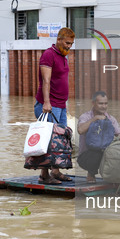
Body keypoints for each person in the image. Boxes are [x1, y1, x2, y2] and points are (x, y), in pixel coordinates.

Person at [34, 27, 75, 184]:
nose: (69, 46)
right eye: (67, 43)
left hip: (60, 105)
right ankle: (44, 175)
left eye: (71, 44)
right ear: (58, 40)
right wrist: (46, 102)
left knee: (60, 141)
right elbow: (46, 81)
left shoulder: (63, 56)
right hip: (49, 105)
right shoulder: (48, 55)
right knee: (48, 141)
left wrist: (64, 104)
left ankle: (55, 172)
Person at [77, 91, 120, 184]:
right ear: (93, 103)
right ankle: (91, 174)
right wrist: (95, 119)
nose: (104, 106)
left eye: (106, 103)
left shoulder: (111, 119)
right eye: (100, 103)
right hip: (86, 157)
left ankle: (114, 176)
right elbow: (80, 130)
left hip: (106, 155)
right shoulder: (85, 117)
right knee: (96, 152)